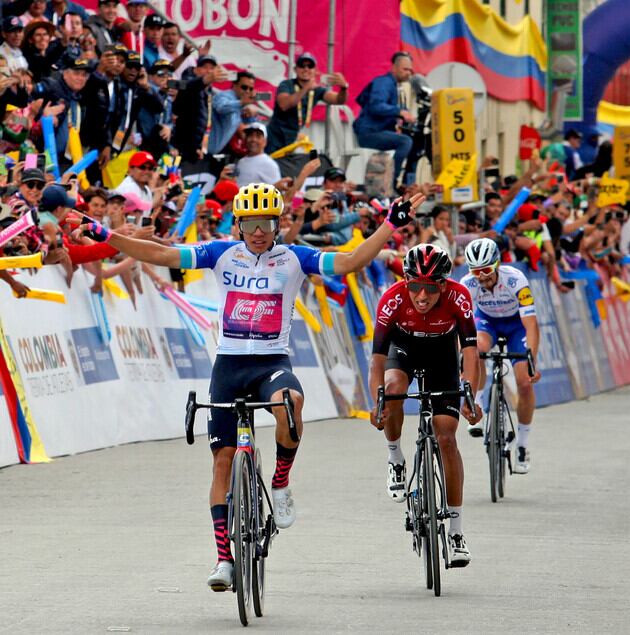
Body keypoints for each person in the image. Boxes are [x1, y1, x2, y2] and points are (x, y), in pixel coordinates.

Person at [75, 182, 425, 591]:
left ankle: (279, 482)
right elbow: (162, 254)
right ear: (238, 223)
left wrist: (387, 225)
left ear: (278, 224)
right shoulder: (221, 253)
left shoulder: (294, 257)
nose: (260, 231)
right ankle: (223, 559)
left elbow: (349, 261)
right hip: (229, 366)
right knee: (222, 462)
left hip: (272, 363)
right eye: (252, 222)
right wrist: (106, 236)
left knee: (291, 402)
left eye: (268, 222)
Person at [368, 243, 481, 568]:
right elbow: (377, 359)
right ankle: (395, 457)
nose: (420, 296)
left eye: (430, 289)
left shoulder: (459, 297)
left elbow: (470, 353)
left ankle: (456, 532)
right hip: (402, 348)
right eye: (414, 286)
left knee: (446, 436)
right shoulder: (392, 298)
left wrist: (469, 393)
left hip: (442, 353)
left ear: (443, 285)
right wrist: (378, 400)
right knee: (392, 390)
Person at [460, 237, 541, 473]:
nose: (482, 277)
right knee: (476, 350)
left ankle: (523, 444)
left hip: (516, 325)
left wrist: (531, 360)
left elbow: (531, 325)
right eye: (476, 271)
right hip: (488, 322)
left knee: (524, 382)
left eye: (486, 270)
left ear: (496, 264)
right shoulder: (468, 284)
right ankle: (477, 403)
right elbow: (463, 329)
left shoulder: (516, 280)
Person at [353, 51, 417, 193]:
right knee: (404, 142)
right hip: (369, 134)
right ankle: (391, 183)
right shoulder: (383, 82)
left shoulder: (393, 85)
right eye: (405, 69)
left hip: (377, 131)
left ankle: (405, 183)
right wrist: (399, 112)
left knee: (411, 140)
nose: (408, 73)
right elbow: (376, 105)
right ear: (393, 68)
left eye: (410, 70)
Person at [265, 51, 347, 154]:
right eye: (302, 65)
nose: (306, 69)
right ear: (295, 69)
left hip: (293, 139)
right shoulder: (286, 84)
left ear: (315, 70)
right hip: (274, 136)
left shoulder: (317, 90)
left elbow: (339, 100)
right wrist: (306, 88)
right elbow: (284, 105)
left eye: (310, 66)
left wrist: (344, 87)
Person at [235, 123, 280, 187]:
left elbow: (277, 192)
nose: (253, 140)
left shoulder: (270, 164)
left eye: (258, 136)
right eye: (250, 135)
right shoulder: (241, 161)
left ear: (265, 142)